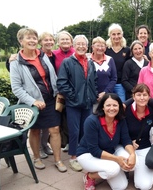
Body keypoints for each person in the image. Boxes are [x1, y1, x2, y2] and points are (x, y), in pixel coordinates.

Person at [10, 28, 66, 172]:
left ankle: (58, 160)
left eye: (34, 38)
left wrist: (57, 91)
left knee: (54, 129)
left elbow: (52, 76)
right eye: (28, 38)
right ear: (21, 41)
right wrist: (32, 101)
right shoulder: (16, 62)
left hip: (50, 99)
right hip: (33, 103)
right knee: (35, 131)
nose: (32, 41)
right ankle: (36, 158)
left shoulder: (42, 55)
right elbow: (16, 88)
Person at [76, 93, 136, 190]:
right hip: (88, 154)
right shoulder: (91, 121)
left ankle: (109, 170)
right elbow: (94, 150)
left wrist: (132, 155)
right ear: (102, 107)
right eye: (108, 105)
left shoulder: (120, 120)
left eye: (115, 105)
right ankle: (90, 176)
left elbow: (126, 140)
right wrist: (117, 159)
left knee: (120, 186)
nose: (111, 108)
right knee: (113, 169)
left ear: (119, 107)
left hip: (109, 150)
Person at [57, 35, 97, 172]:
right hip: (74, 103)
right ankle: (73, 157)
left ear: (87, 46)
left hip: (88, 103)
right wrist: (73, 96)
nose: (81, 46)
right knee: (74, 131)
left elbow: (94, 81)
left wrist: (93, 95)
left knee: (86, 129)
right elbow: (62, 83)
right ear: (74, 45)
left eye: (83, 44)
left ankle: (83, 153)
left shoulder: (90, 62)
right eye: (78, 44)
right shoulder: (67, 62)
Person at [124, 83, 153, 189]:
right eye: (138, 95)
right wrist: (129, 142)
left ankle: (135, 170)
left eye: (145, 95)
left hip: (144, 146)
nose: (142, 98)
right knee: (119, 185)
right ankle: (125, 171)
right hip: (125, 146)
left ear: (149, 97)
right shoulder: (125, 109)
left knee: (144, 186)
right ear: (133, 96)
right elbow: (119, 131)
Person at [53, 30, 75, 152]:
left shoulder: (76, 53)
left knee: (71, 118)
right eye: (62, 39)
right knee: (60, 117)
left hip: (74, 91)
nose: (65, 41)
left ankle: (70, 142)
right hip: (60, 92)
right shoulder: (53, 54)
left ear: (71, 42)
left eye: (67, 39)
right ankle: (62, 140)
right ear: (58, 42)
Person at [37, 32, 56, 159]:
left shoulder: (53, 55)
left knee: (48, 125)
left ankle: (45, 145)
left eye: (51, 40)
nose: (48, 42)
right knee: (38, 126)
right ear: (40, 42)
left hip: (51, 94)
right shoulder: (37, 55)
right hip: (38, 95)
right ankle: (38, 148)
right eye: (45, 40)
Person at [105, 23, 131, 102]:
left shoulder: (127, 50)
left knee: (121, 107)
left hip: (121, 85)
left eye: (118, 34)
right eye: (114, 34)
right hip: (108, 84)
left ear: (122, 34)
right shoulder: (106, 50)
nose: (116, 36)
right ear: (110, 35)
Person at [90, 36, 117, 106]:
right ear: (92, 47)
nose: (100, 48)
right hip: (91, 97)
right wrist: (95, 94)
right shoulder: (87, 60)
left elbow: (114, 78)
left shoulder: (110, 59)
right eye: (97, 46)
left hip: (107, 96)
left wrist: (105, 92)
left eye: (102, 46)